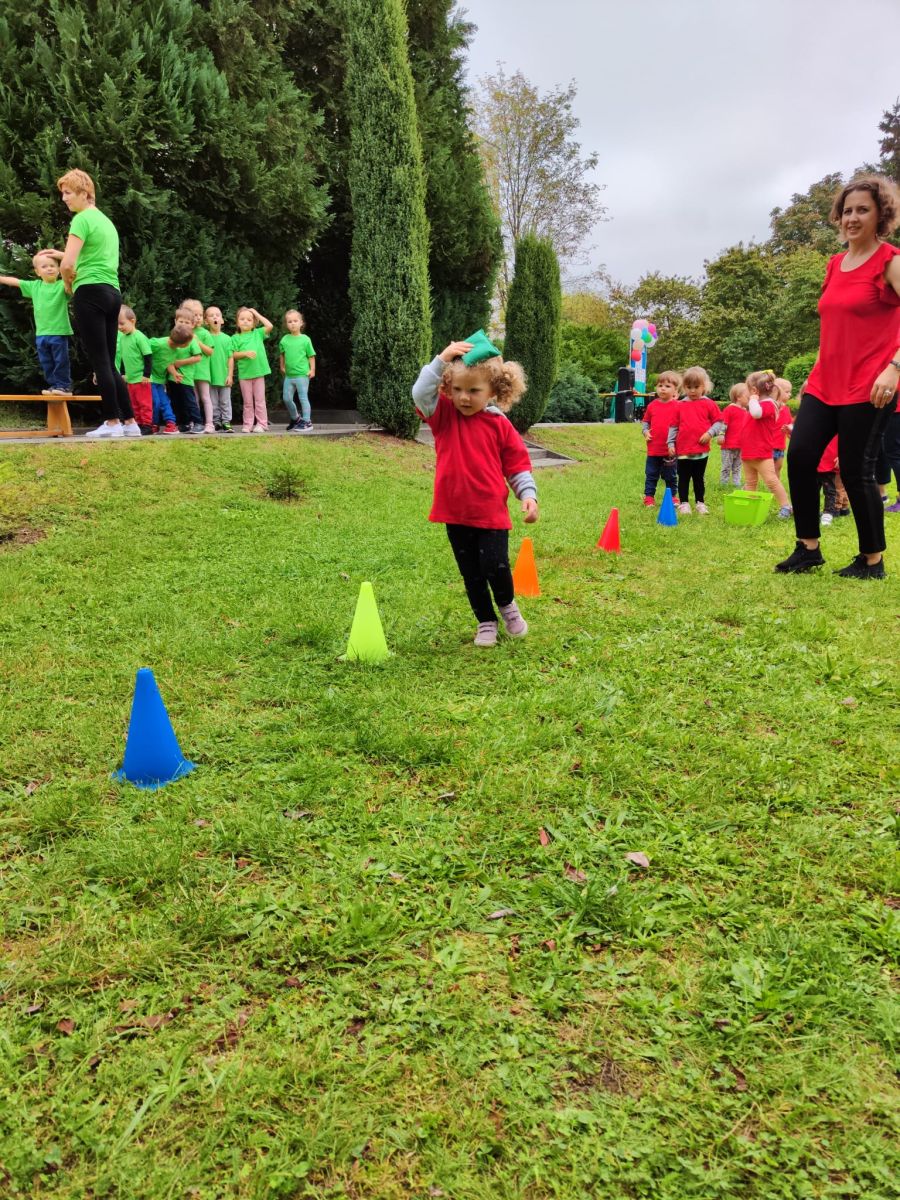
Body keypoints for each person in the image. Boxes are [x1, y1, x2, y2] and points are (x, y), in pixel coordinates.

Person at [777, 175, 900, 578]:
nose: (852, 218)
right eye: (847, 211)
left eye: (863, 209)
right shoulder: (834, 264)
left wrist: (894, 368)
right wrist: (817, 367)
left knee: (854, 468)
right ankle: (808, 548)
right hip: (824, 382)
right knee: (800, 456)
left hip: (870, 385)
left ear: (881, 214)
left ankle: (872, 560)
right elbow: (834, 325)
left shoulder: (890, 261)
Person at [412, 339, 538, 648]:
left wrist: (528, 495)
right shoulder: (444, 416)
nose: (464, 397)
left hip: (491, 513)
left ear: (493, 391)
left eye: (473, 390)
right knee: (471, 574)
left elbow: (517, 464)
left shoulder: (499, 424)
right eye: (456, 389)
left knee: (495, 565)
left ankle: (507, 606)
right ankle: (485, 621)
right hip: (455, 513)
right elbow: (420, 393)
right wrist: (442, 359)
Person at [44, 169, 139, 438]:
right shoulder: (105, 222)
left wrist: (67, 285)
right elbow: (91, 256)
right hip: (112, 294)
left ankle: (112, 422)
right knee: (109, 361)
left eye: (68, 193)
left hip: (89, 292)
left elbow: (68, 265)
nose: (64, 198)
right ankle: (130, 422)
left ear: (84, 193)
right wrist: (61, 253)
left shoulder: (81, 219)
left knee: (100, 361)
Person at [0, 252, 73, 395]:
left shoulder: (62, 285)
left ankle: (64, 386)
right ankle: (54, 386)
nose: (49, 268)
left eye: (52, 266)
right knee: (46, 362)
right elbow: (14, 281)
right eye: (44, 266)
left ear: (59, 270)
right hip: (41, 334)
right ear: (37, 272)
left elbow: (72, 274)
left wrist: (66, 263)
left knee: (61, 361)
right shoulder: (34, 286)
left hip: (59, 332)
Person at [742, 370, 792, 516]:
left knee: (771, 481)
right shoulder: (758, 404)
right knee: (750, 482)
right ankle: (749, 507)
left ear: (754, 390)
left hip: (761, 452)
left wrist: (752, 399)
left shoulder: (770, 404)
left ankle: (786, 506)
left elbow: (756, 413)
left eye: (748, 391)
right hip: (748, 452)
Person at [674, 366, 722, 514]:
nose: (692, 391)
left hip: (701, 451)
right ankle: (684, 503)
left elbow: (718, 422)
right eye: (689, 387)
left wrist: (710, 433)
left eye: (696, 387)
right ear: (684, 387)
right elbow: (673, 426)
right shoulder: (680, 405)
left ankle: (700, 502)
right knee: (683, 477)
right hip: (683, 449)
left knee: (698, 477)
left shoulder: (709, 404)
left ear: (704, 386)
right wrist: (670, 443)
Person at [640, 370, 680, 506]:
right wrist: (645, 431)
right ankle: (649, 497)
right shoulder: (652, 406)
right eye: (660, 385)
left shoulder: (678, 406)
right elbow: (645, 422)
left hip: (670, 450)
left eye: (667, 386)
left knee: (670, 476)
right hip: (654, 449)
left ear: (675, 390)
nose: (663, 388)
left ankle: (672, 496)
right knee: (651, 474)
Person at [232, 307, 273, 432]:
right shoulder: (235, 338)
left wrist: (255, 313)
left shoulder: (258, 333)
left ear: (254, 323)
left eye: (249, 319)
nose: (245, 321)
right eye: (242, 319)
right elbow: (233, 355)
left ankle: (262, 424)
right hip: (245, 374)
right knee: (247, 402)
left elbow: (269, 325)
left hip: (258, 372)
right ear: (237, 322)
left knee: (260, 400)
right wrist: (245, 353)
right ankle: (248, 424)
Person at [166, 305, 205, 433]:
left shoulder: (191, 340)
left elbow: (198, 357)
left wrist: (180, 363)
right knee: (176, 401)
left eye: (187, 323)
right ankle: (184, 423)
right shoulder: (172, 338)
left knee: (190, 401)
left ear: (192, 325)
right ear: (175, 322)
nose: (183, 324)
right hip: (172, 377)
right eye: (180, 321)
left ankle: (198, 423)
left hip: (185, 377)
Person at [148, 327, 193, 434]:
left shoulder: (176, 350)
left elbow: (169, 363)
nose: (189, 344)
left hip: (160, 380)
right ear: (181, 344)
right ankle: (153, 424)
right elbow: (142, 351)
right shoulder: (157, 344)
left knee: (165, 402)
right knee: (155, 402)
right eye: (188, 343)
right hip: (149, 378)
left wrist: (175, 373)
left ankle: (171, 423)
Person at [115, 306, 153, 433]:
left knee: (144, 403)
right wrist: (123, 373)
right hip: (130, 379)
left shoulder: (139, 337)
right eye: (117, 324)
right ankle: (138, 425)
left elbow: (148, 356)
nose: (119, 327)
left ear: (132, 321)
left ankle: (147, 425)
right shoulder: (122, 338)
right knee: (134, 403)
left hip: (142, 379)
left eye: (122, 323)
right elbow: (123, 357)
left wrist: (146, 374)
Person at [182, 298, 215, 433]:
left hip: (202, 371)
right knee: (192, 398)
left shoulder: (205, 333)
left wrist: (197, 342)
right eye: (195, 315)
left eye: (200, 315)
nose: (198, 318)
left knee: (205, 397)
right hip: (189, 372)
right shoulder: (184, 332)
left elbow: (210, 351)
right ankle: (195, 422)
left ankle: (209, 423)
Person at [279, 309, 316, 432]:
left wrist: (312, 370)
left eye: (295, 321)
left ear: (301, 323)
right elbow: (282, 354)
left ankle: (307, 422)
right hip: (289, 376)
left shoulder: (305, 339)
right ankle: (296, 419)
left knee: (303, 398)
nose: (293, 323)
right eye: (290, 322)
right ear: (286, 324)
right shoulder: (284, 339)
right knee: (286, 398)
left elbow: (311, 356)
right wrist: (282, 366)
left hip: (302, 375)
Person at [203, 306, 234, 431]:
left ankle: (226, 421)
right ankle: (216, 421)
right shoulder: (206, 337)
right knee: (213, 401)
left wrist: (230, 375)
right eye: (211, 315)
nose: (215, 317)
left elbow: (230, 358)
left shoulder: (227, 338)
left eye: (217, 315)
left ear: (222, 320)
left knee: (225, 401)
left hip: (224, 375)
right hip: (210, 376)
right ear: (206, 321)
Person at [719, 382, 749, 486]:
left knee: (737, 466)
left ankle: (736, 483)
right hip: (728, 445)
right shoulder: (730, 409)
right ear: (738, 397)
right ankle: (724, 484)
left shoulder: (745, 411)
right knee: (726, 466)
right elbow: (724, 423)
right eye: (748, 396)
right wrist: (721, 434)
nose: (750, 398)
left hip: (741, 445)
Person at [772, 377, 794, 478]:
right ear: (777, 391)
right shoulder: (770, 407)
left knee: (778, 467)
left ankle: (776, 485)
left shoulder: (786, 409)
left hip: (780, 446)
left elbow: (790, 424)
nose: (790, 394)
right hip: (769, 445)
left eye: (790, 392)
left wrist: (789, 429)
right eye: (787, 392)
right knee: (767, 469)